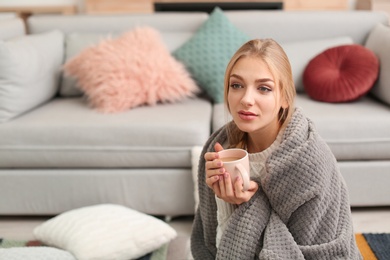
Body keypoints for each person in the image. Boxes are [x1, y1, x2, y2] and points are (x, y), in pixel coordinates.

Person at [191, 39, 362, 259]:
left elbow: (318, 253)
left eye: (264, 88)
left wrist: (248, 202)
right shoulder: (220, 145)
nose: (246, 99)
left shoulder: (309, 162)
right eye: (237, 85)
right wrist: (221, 200)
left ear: (284, 97)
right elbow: (210, 240)